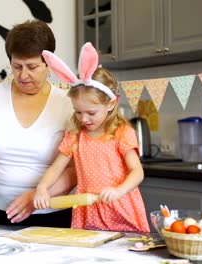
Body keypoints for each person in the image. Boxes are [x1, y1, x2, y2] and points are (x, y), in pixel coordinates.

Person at [0, 20, 76, 227]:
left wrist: (35, 196)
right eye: (16, 66)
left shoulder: (68, 103)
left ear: (49, 63)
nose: (23, 75)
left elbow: (75, 168)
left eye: (32, 67)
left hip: (52, 213)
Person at [33, 42, 150, 232]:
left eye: (91, 112)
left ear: (111, 104)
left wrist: (118, 190)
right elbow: (56, 167)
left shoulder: (121, 132)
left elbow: (137, 172)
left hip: (120, 206)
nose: (84, 118)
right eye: (78, 112)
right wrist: (42, 188)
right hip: (89, 210)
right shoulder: (75, 135)